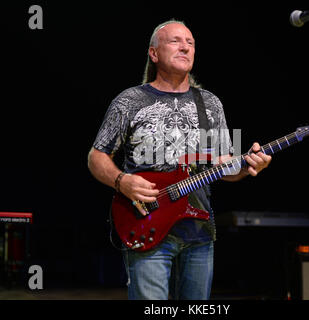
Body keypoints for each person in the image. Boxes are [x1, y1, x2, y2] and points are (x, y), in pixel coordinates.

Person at [87, 20, 272, 300]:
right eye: (175, 41)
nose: (185, 46)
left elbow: (222, 165)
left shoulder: (210, 103)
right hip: (146, 223)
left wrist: (248, 166)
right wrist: (121, 181)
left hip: (198, 231)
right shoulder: (129, 100)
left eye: (190, 42)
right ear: (154, 53)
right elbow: (96, 156)